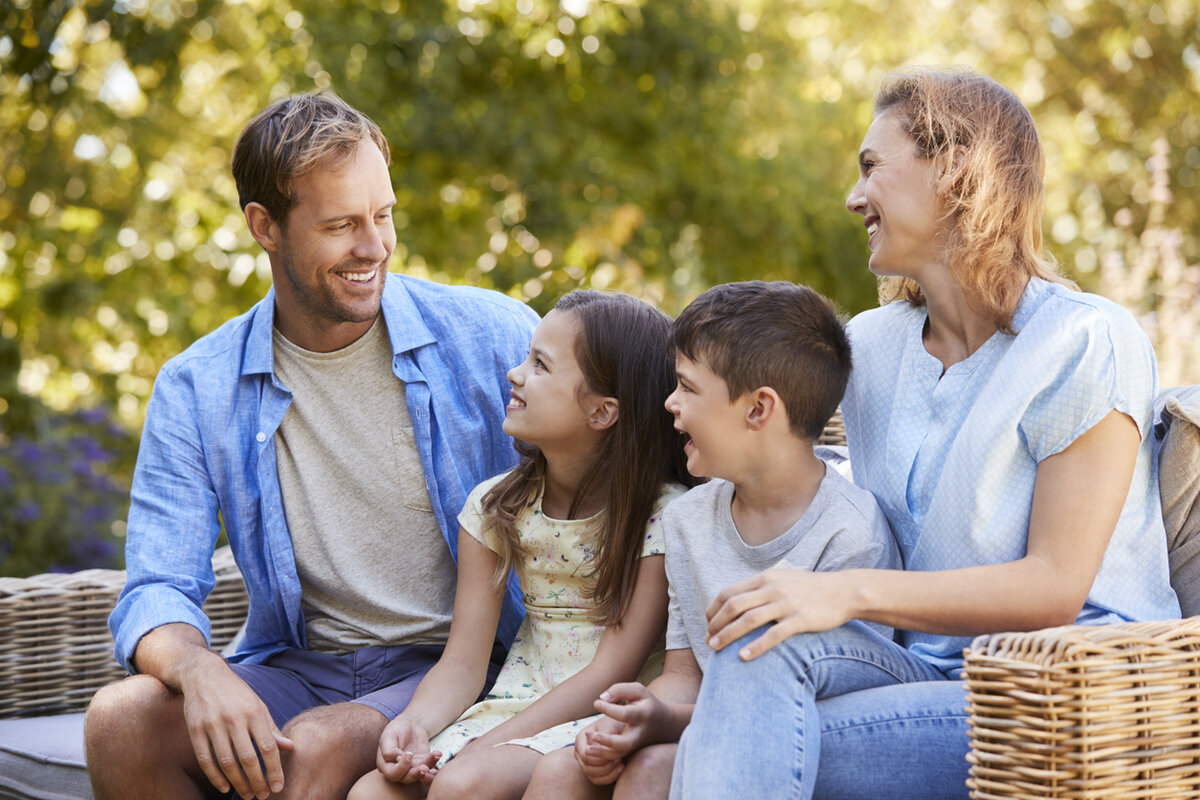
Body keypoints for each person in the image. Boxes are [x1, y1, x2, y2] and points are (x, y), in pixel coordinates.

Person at [668, 69, 1181, 799]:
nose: (853, 198)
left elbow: (1054, 588)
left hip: (1055, 695)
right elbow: (756, 414)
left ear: (955, 167)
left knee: (712, 754)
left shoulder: (1085, 340)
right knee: (761, 635)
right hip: (922, 667)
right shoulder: (872, 346)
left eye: (872, 167)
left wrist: (845, 592)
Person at [83, 93, 539, 800]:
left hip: (460, 664)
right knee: (122, 720)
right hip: (301, 666)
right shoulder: (197, 387)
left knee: (319, 747)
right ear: (264, 226)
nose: (374, 246)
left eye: (383, 215)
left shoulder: (492, 336)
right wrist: (200, 671)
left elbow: (628, 470)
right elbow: (159, 586)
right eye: (340, 225)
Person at [522, 281, 901, 800]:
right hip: (705, 722)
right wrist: (643, 717)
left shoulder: (850, 536)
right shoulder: (688, 518)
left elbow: (831, 708)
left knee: (653, 769)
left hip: (793, 742)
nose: (669, 403)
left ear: (758, 410)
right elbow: (683, 671)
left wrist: (669, 724)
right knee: (562, 772)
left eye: (687, 387)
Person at [346, 290, 695, 800]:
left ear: (602, 412)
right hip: (515, 702)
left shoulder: (662, 515)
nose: (515, 373)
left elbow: (613, 668)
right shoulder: (497, 507)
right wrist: (414, 724)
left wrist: (489, 746)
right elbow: (464, 662)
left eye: (540, 365)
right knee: (370, 794)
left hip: (598, 712)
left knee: (460, 785)